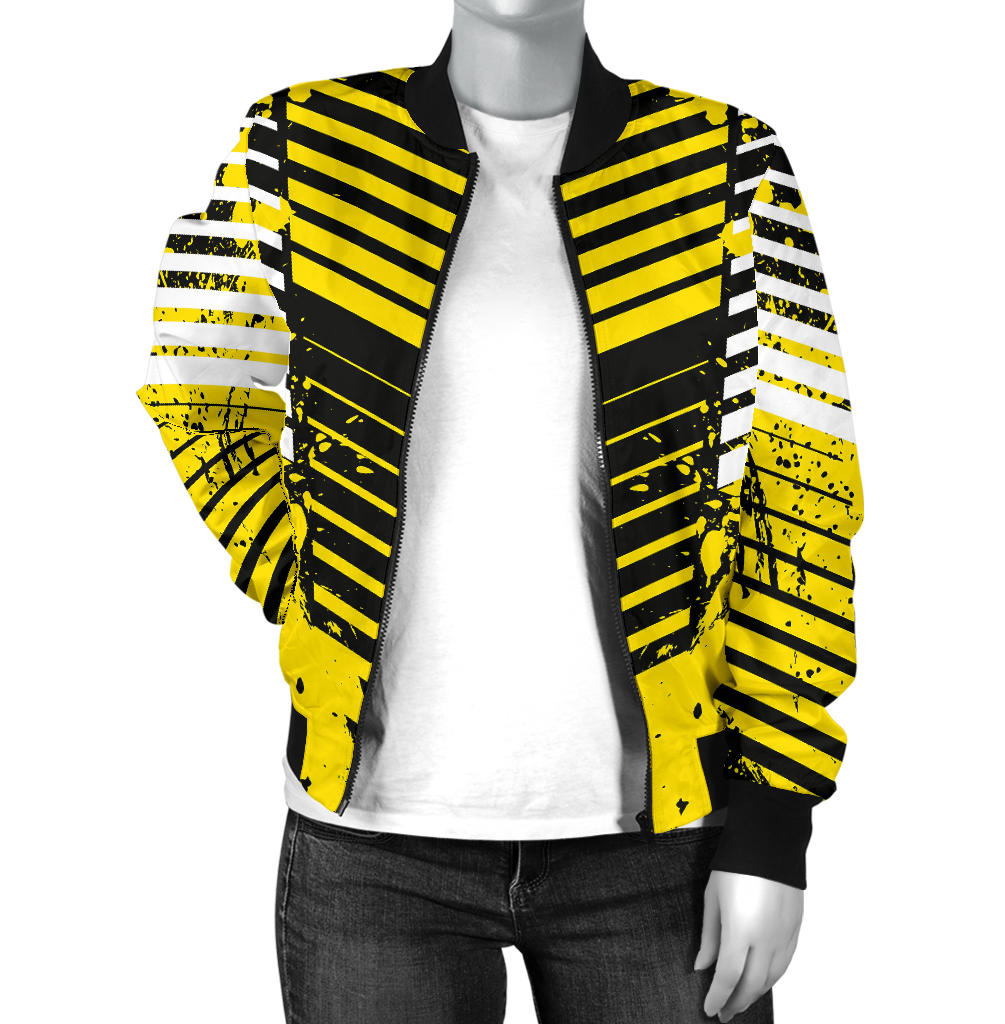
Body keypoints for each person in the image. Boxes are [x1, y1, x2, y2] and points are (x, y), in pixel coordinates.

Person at [135, 2, 864, 1021]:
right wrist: (305, 576)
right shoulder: (301, 146)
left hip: (666, 841)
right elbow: (197, 386)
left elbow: (800, 492)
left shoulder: (725, 165)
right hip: (372, 843)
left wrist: (774, 821)